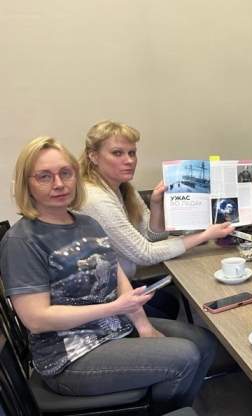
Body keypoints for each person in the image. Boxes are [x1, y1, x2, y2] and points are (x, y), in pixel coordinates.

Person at [0, 136, 217, 415]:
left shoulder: (87, 223)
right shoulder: (21, 241)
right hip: (69, 358)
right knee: (184, 357)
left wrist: (143, 326)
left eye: (65, 173)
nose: (59, 183)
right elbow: (36, 319)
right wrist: (114, 308)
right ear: (26, 183)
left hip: (113, 329)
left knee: (204, 342)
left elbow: (117, 276)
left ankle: (173, 409)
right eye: (44, 176)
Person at [77, 120, 233, 320]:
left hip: (121, 285)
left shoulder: (123, 188)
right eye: (117, 153)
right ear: (93, 155)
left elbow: (153, 238)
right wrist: (204, 235)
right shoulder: (95, 198)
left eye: (132, 153)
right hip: (98, 298)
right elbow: (145, 254)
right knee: (168, 310)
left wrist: (156, 204)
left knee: (168, 303)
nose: (129, 160)